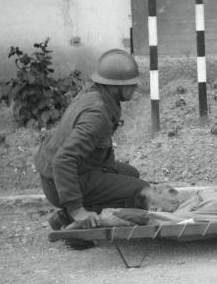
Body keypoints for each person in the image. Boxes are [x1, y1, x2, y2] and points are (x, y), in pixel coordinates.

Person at [34, 49, 175, 247]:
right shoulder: (96, 115)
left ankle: (65, 218)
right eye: (130, 84)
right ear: (115, 86)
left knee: (131, 174)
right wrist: (77, 210)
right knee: (139, 190)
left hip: (65, 175)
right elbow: (64, 160)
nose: (134, 87)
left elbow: (93, 151)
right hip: (60, 182)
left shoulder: (95, 95)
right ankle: (78, 225)